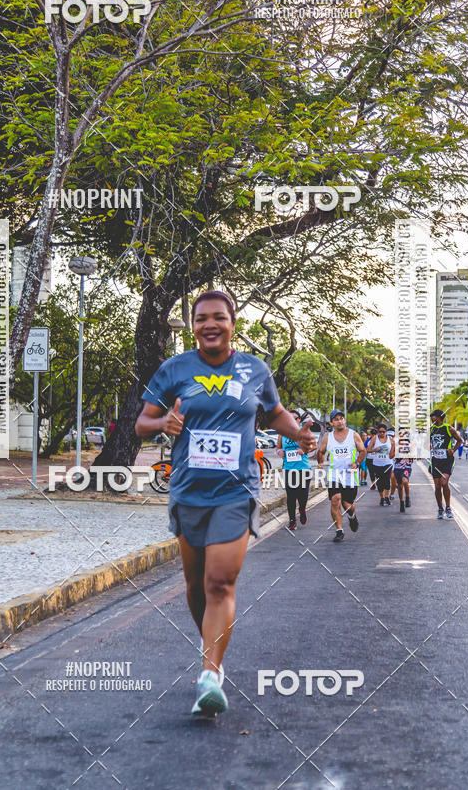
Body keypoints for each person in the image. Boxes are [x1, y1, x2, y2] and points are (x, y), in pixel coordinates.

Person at [135, 289, 316, 717]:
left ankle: (210, 674)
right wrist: (164, 421)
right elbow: (142, 423)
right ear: (193, 325)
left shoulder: (255, 369)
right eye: (201, 319)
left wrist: (300, 434)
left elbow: (274, 414)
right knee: (196, 587)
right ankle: (210, 650)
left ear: (233, 323)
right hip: (187, 490)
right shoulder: (174, 369)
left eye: (218, 317)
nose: (209, 325)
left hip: (236, 491)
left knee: (220, 583)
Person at [316, 409, 366, 542]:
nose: (340, 421)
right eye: (336, 419)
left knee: (347, 504)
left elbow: (362, 451)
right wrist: (320, 462)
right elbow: (320, 451)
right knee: (335, 499)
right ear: (332, 423)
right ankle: (339, 530)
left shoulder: (353, 435)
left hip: (350, 475)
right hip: (334, 475)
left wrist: (357, 463)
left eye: (341, 418)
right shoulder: (328, 437)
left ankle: (352, 516)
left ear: (344, 420)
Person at [277, 411, 312, 529]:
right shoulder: (282, 433)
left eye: (295, 418)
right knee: (291, 496)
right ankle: (292, 520)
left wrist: (305, 450)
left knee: (303, 495)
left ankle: (302, 509)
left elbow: (314, 445)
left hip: (303, 468)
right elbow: (278, 448)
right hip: (289, 469)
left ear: (299, 420)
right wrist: (279, 452)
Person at [429, 409, 463, 519]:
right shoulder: (431, 429)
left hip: (447, 460)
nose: (432, 418)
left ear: (439, 417)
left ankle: (448, 507)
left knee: (444, 482)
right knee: (437, 486)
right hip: (436, 460)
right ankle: (440, 508)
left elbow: (460, 440)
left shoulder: (449, 428)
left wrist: (453, 450)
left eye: (433, 416)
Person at [367, 424, 395, 505]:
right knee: (379, 482)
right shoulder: (374, 439)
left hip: (388, 463)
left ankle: (387, 497)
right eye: (380, 432)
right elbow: (368, 450)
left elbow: (392, 452)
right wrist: (375, 449)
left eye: (383, 432)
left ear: (386, 432)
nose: (382, 433)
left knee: (387, 481)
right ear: (377, 431)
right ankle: (382, 498)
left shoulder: (390, 439)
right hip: (377, 464)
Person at [393, 434, 412, 512]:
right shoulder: (395, 445)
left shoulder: (409, 446)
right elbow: (390, 456)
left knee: (405, 481)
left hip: (406, 467)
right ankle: (401, 502)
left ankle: (407, 497)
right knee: (400, 486)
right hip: (397, 468)